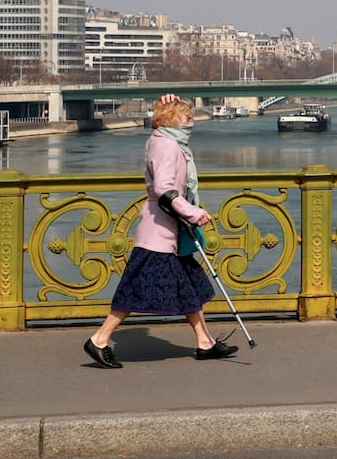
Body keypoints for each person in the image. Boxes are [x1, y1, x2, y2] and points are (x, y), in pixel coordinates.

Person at [83, 94, 238, 368]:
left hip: (171, 232)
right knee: (134, 289)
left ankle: (205, 342)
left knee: (190, 286)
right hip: (159, 233)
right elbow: (165, 191)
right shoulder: (167, 146)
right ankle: (99, 339)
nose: (191, 119)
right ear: (170, 119)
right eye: (186, 114)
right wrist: (194, 213)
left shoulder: (166, 141)